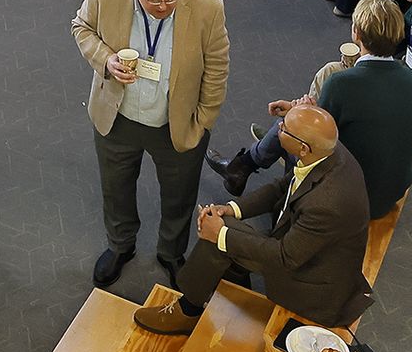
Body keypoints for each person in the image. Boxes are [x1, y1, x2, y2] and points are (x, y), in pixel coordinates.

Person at [130, 105, 373, 337]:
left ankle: (187, 311)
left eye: (284, 129)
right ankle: (232, 286)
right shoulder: (328, 151)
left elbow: (285, 257)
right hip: (308, 254)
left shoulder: (327, 203)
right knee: (226, 229)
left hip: (314, 287)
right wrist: (232, 208)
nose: (278, 129)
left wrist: (219, 234)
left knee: (219, 239)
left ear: (303, 148)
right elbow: (281, 187)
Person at [72, 0, 232, 289]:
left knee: (179, 195)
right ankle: (121, 245)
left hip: (175, 124)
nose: (163, 6)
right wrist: (106, 60)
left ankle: (171, 252)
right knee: (115, 188)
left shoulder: (208, 6)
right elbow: (81, 27)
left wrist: (203, 121)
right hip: (117, 117)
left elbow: (217, 67)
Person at [206, 0, 412, 219]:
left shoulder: (342, 84)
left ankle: (277, 202)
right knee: (293, 119)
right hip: (389, 194)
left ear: (356, 33)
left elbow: (314, 140)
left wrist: (297, 113)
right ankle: (243, 166)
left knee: (289, 130)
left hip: (350, 198)